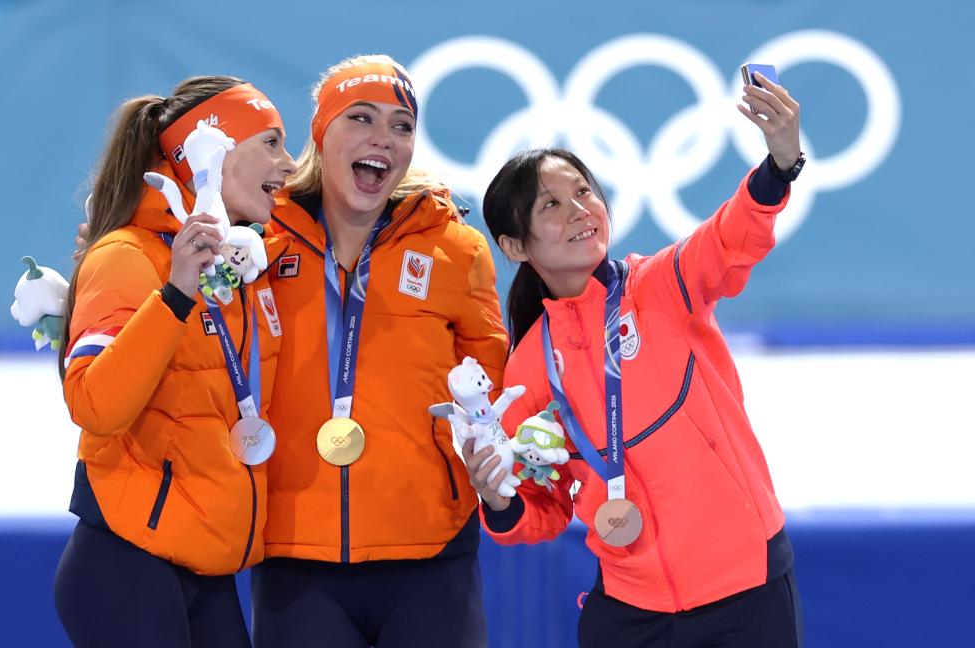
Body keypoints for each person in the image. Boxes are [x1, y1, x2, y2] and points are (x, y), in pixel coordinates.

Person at [471, 72, 806, 647]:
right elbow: (541, 506)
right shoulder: (528, 368)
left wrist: (779, 166)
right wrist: (498, 499)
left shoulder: (662, 284)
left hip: (745, 588)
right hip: (631, 609)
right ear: (515, 246)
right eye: (552, 204)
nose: (580, 210)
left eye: (584, 192)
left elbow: (730, 237)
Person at [252, 54, 509, 648]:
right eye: (361, 118)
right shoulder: (258, 244)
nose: (383, 138)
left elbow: (491, 386)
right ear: (322, 131)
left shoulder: (455, 249)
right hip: (294, 549)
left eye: (401, 126)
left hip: (430, 551)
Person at [53, 75, 296, 648]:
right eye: (271, 143)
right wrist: (175, 296)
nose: (289, 165)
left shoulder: (241, 262)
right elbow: (94, 404)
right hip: (128, 563)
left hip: (203, 566)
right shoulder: (125, 256)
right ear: (210, 155)